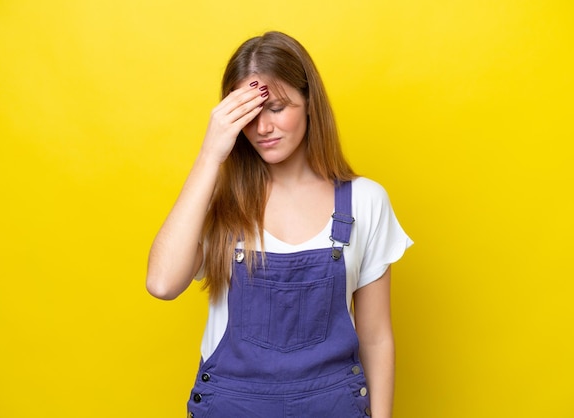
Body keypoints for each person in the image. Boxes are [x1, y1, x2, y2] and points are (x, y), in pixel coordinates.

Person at [146, 31, 412, 418]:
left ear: (309, 104)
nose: (262, 128)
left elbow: (375, 338)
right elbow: (162, 283)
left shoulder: (366, 201)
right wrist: (209, 154)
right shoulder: (219, 200)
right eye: (248, 114)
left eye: (277, 108)